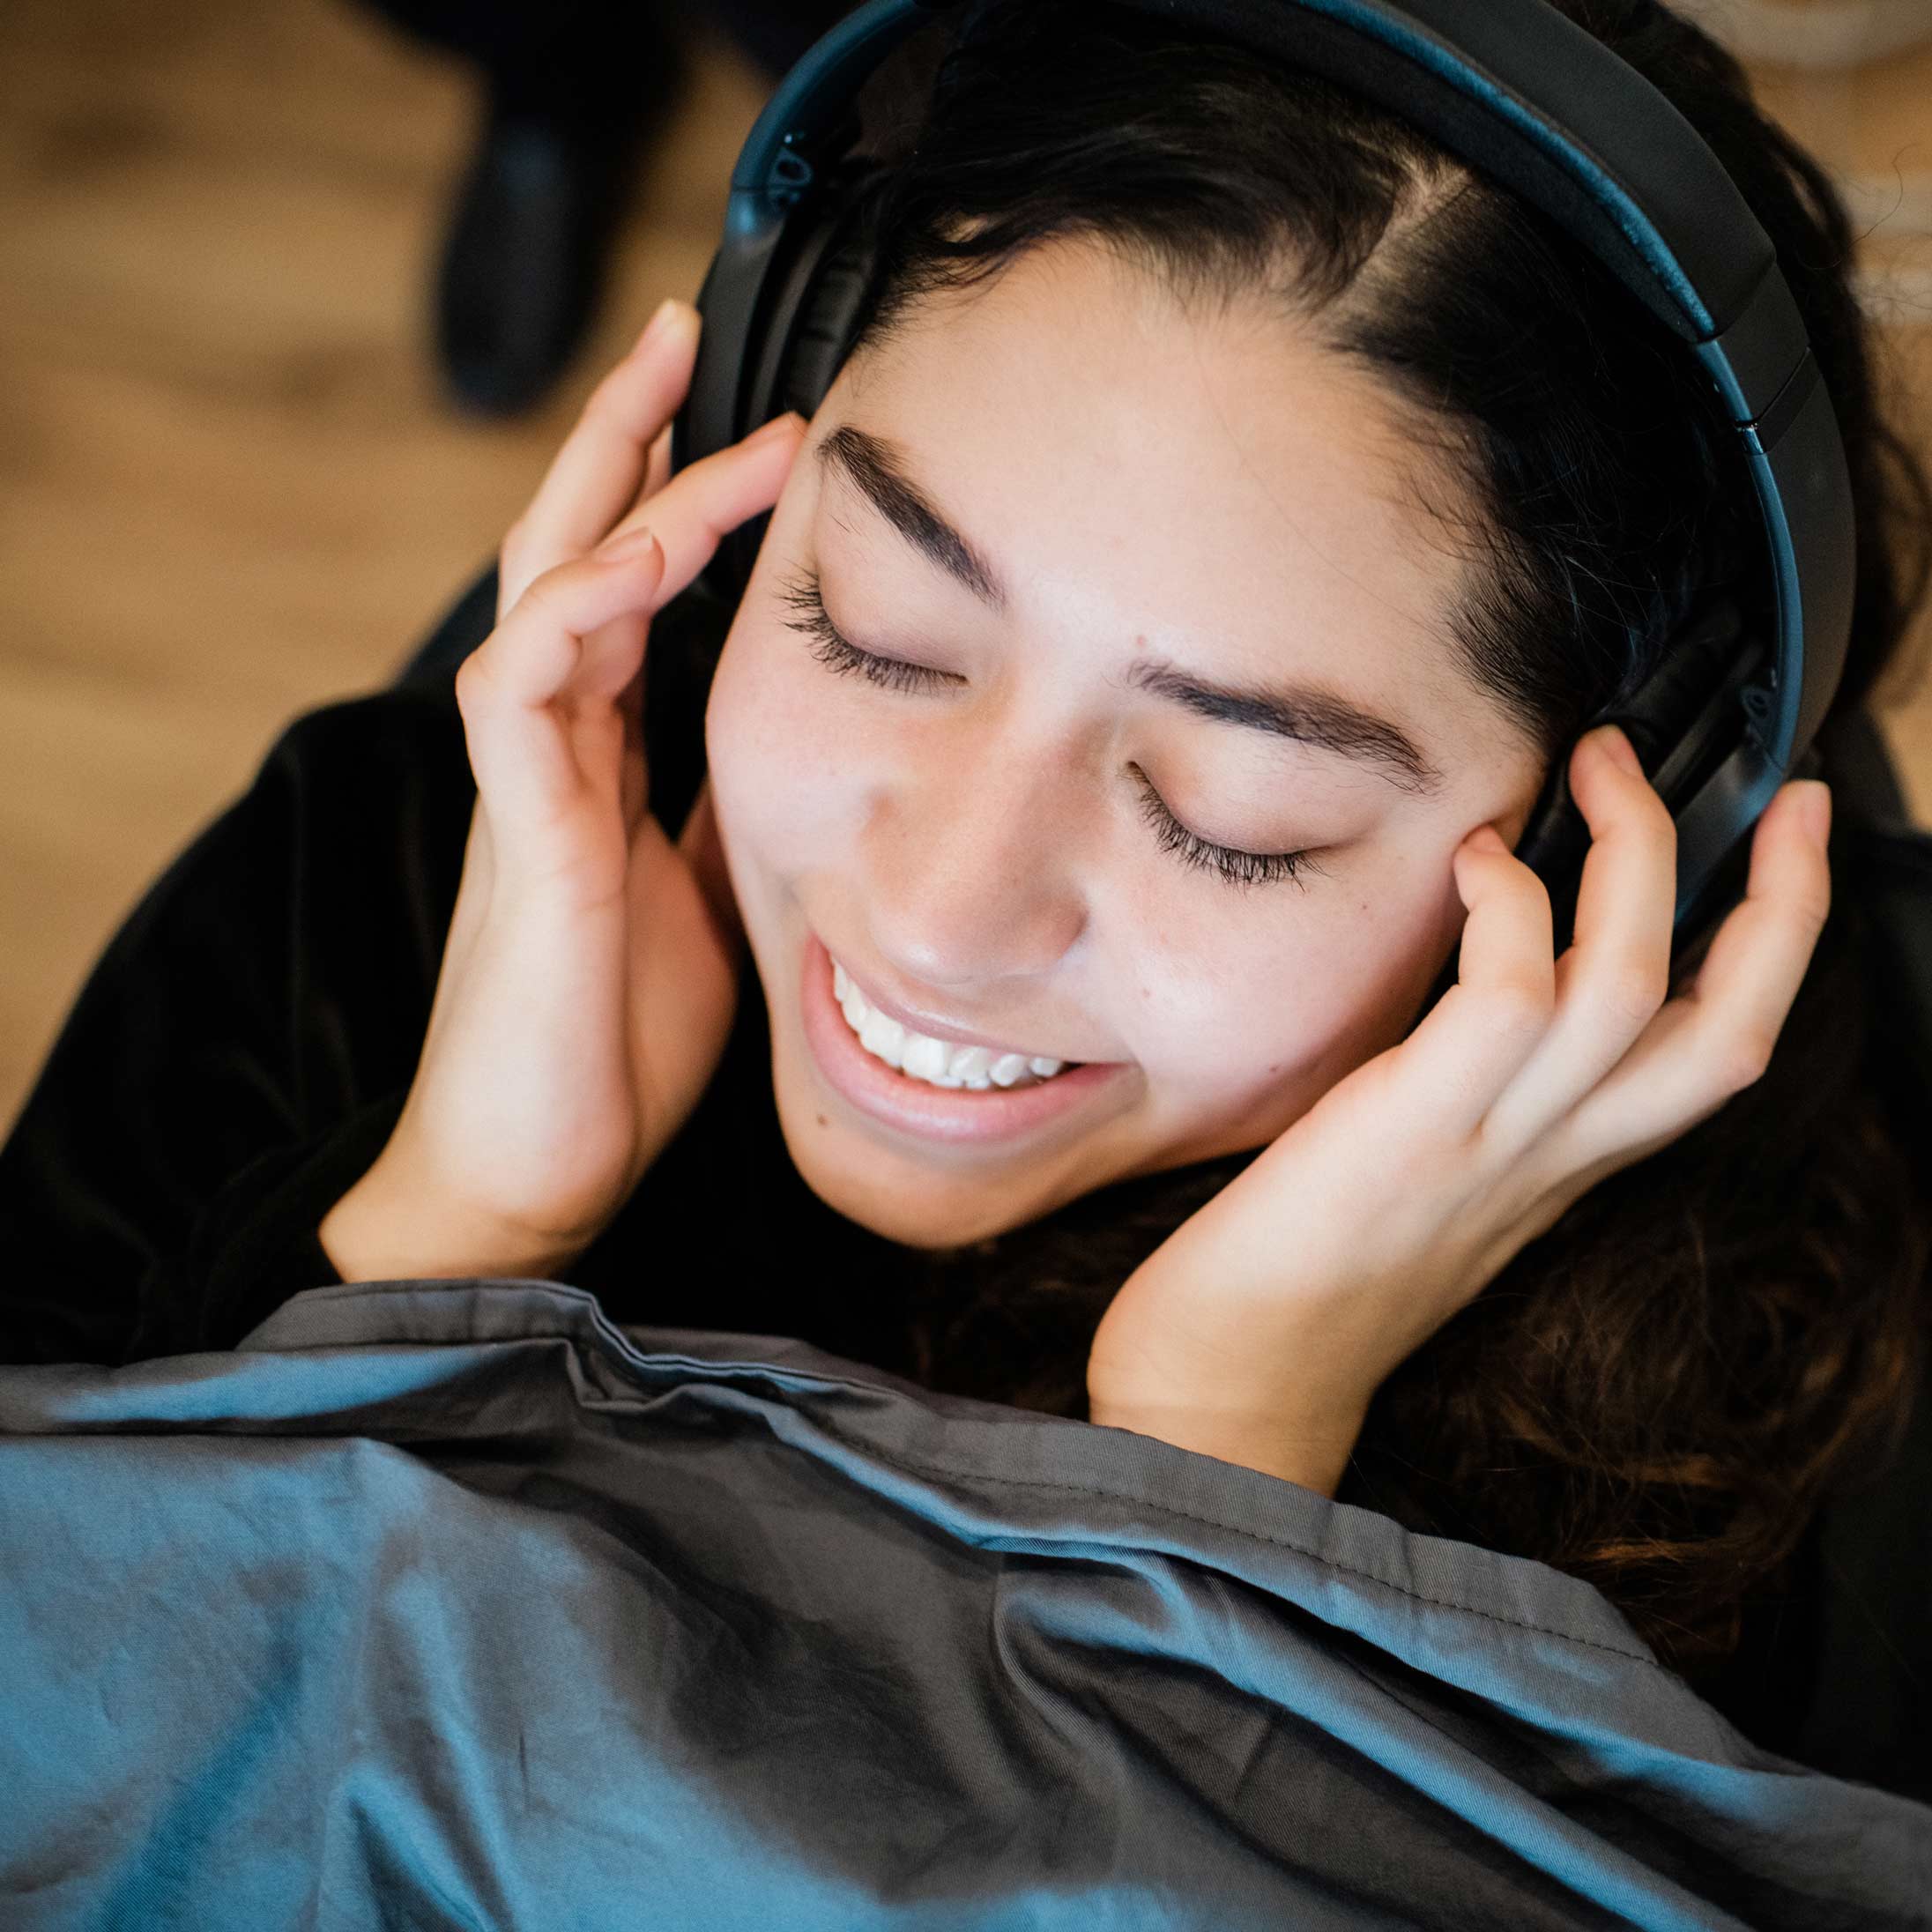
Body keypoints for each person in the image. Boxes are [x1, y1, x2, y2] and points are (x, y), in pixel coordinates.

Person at [3, 0, 1928, 1783]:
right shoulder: (403, 871)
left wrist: (1221, 1476)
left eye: (1228, 815)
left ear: (1603, 851)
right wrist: (431, 1256)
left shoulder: (1822, 1441)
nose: (930, 917)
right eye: (879, 627)